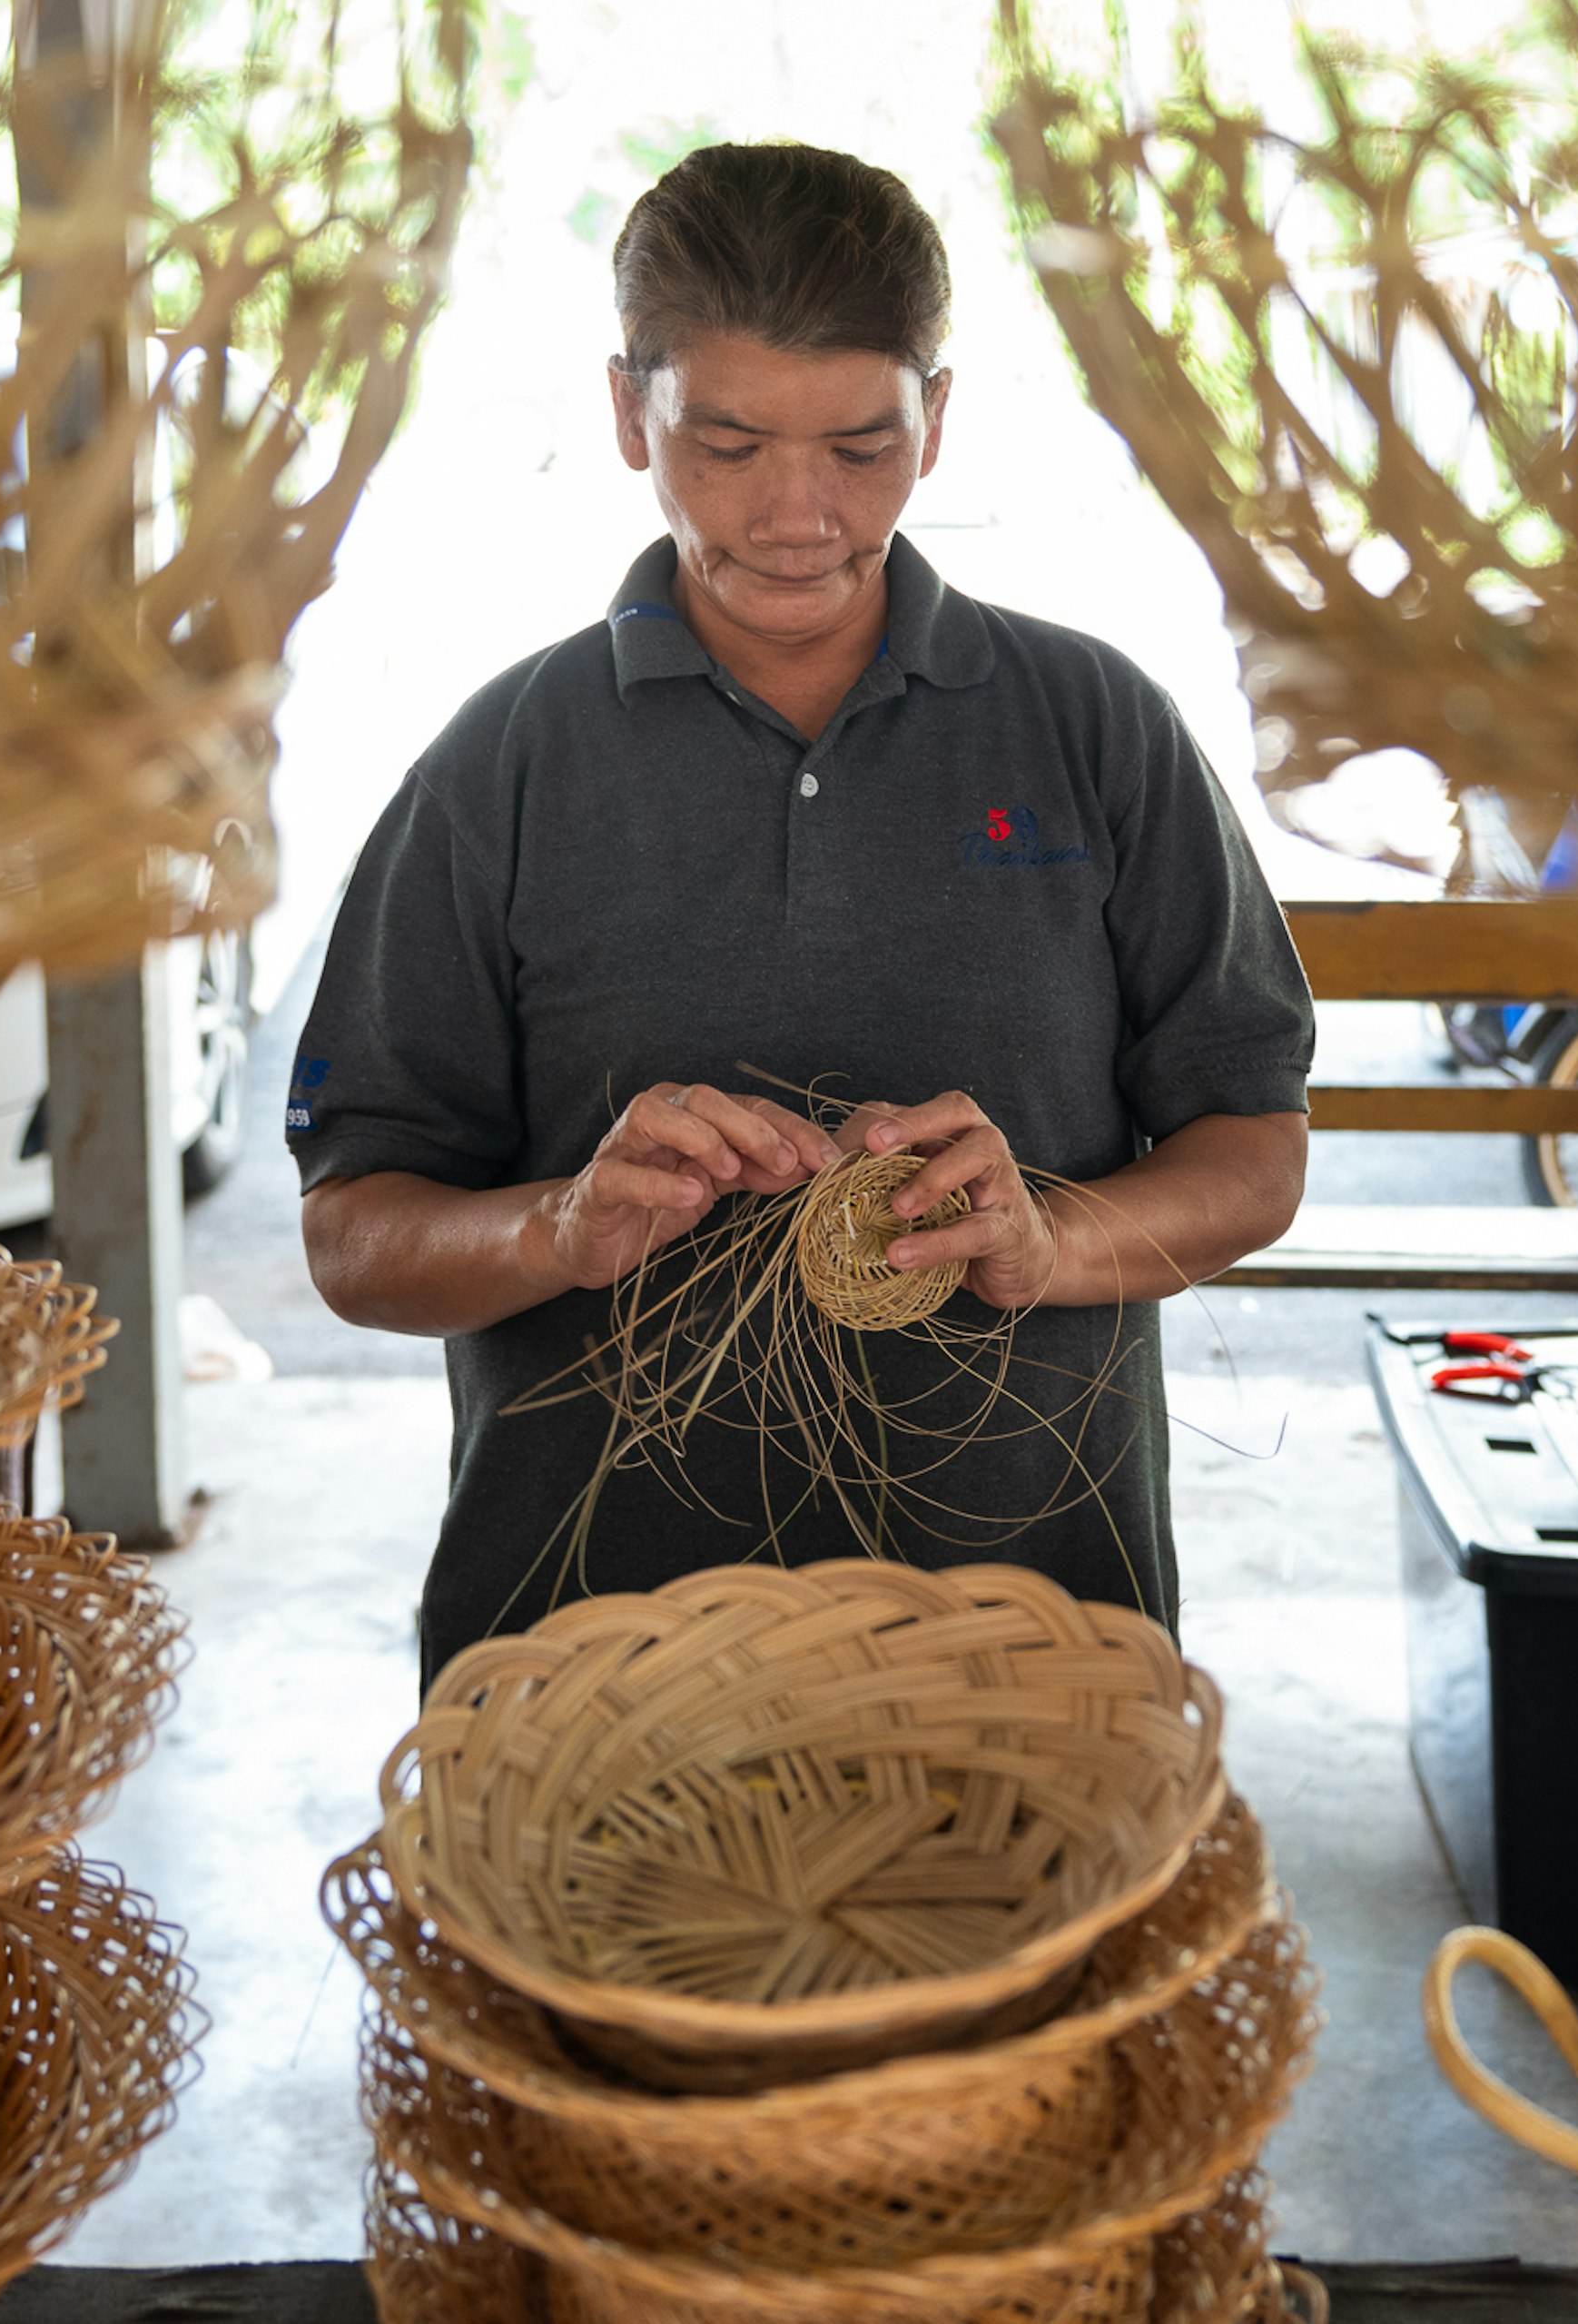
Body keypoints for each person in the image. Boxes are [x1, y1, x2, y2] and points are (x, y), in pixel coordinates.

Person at [289, 141, 1313, 1684]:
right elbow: (357, 1237)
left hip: (1031, 1634)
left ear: (938, 420)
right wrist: (564, 1225)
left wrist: (1049, 1240)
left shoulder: (1093, 726)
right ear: (629, 412)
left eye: (859, 449)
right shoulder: (503, 763)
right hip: (586, 1655)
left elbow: (1255, 1149)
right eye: (726, 443)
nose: (795, 515)